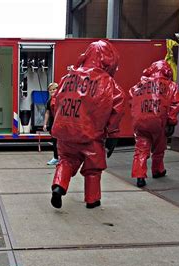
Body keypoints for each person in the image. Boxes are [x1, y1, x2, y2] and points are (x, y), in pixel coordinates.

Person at [50, 40, 125, 209]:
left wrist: (62, 122)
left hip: (65, 132)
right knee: (93, 168)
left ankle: (58, 186)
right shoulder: (108, 83)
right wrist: (113, 134)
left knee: (66, 161)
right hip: (90, 136)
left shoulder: (67, 78)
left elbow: (55, 103)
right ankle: (92, 200)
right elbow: (117, 107)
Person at [130, 60, 179, 187]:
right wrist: (171, 121)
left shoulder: (140, 85)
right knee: (159, 148)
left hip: (140, 121)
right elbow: (176, 102)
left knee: (141, 149)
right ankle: (157, 170)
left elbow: (131, 98)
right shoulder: (170, 86)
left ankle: (139, 176)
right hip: (158, 121)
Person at [43, 82, 59, 165]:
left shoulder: (61, 99)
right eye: (50, 90)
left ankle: (63, 158)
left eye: (54, 89)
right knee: (55, 141)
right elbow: (47, 113)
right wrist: (45, 124)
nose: (52, 91)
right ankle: (56, 158)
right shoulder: (49, 101)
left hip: (61, 124)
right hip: (53, 124)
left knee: (63, 142)